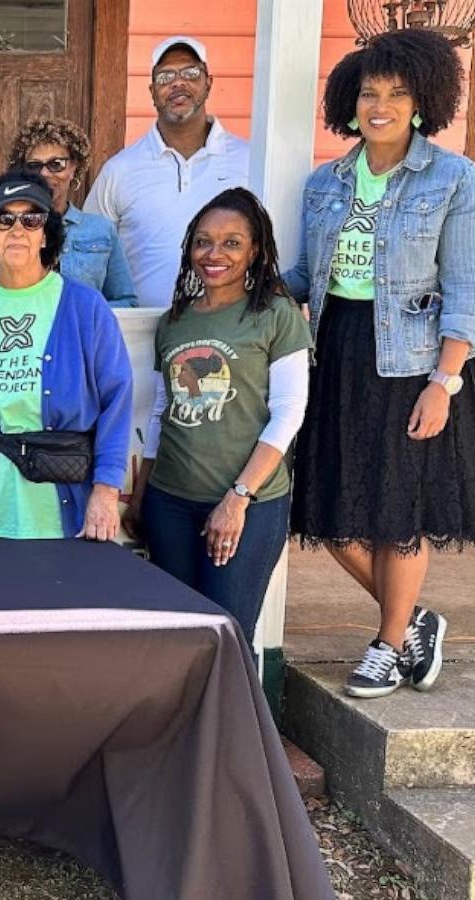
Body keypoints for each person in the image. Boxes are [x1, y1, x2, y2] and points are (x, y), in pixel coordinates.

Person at [285, 28, 475, 699]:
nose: (381, 105)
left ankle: (385, 642)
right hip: (336, 350)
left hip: (411, 360)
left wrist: (444, 381)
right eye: (369, 93)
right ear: (350, 102)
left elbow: (465, 288)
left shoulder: (454, 178)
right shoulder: (327, 181)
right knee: (326, 508)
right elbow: (306, 274)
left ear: (422, 101)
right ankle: (413, 620)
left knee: (397, 510)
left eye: (397, 94)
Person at [123, 188, 311, 653]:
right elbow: (163, 409)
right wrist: (143, 494)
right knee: (177, 636)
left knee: (225, 638)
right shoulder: (176, 321)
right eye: (204, 241)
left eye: (231, 243)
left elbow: (289, 412)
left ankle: (236, 728)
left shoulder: (277, 316)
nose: (214, 254)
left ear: (256, 251)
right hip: (171, 502)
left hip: (248, 504)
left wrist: (238, 498)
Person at [0, 171, 133, 541]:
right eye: (3, 219)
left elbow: (117, 401)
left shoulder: (85, 306)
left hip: (64, 499)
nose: (17, 229)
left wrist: (106, 490)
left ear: (46, 234)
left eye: (31, 219)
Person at [82, 36, 250, 308]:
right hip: (141, 335)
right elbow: (89, 251)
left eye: (191, 73)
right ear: (151, 91)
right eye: (165, 76)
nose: (178, 83)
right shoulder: (120, 170)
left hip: (230, 332)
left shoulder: (248, 161)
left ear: (209, 83)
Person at [0, 118, 137, 307]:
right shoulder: (2, 226)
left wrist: (85, 315)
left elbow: (126, 301)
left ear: (74, 167)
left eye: (56, 164)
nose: (45, 173)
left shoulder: (100, 229)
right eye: (34, 166)